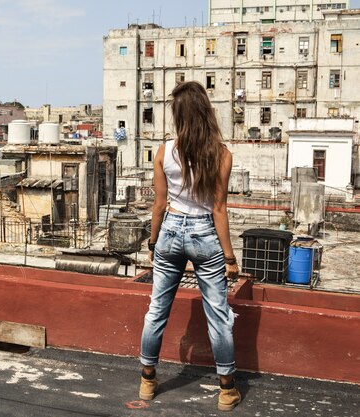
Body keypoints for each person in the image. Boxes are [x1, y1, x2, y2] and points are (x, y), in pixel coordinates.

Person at [138, 81, 241, 412]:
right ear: (206, 112)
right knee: (219, 316)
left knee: (157, 310)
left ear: (178, 116)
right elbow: (219, 209)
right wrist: (229, 257)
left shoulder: (164, 151)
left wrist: (153, 244)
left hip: (169, 230)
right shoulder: (222, 155)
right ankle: (226, 390)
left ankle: (148, 381)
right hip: (204, 235)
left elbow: (158, 204)